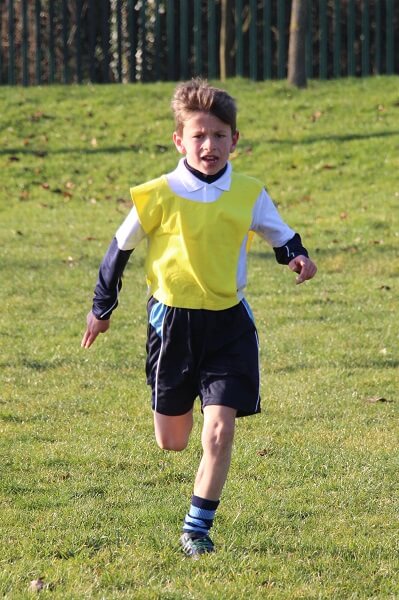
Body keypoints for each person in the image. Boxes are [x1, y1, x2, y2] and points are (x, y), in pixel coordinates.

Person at [81, 78, 317, 558]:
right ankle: (182, 413)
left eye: (219, 135)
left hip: (229, 325)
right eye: (198, 135)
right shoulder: (158, 193)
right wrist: (102, 308)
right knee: (172, 441)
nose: (209, 145)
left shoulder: (248, 192)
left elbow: (281, 235)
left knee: (219, 429)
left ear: (235, 140)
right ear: (179, 140)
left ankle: (196, 529)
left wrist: (299, 257)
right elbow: (119, 249)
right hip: (172, 326)